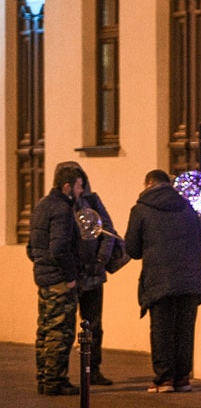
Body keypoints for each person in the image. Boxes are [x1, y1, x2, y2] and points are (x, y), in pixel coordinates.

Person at [124, 169, 201, 393]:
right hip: (190, 279)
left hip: (159, 279)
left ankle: (164, 379)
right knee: (184, 330)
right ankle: (182, 378)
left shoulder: (140, 209)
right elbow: (199, 240)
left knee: (162, 330)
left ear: (149, 183)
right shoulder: (188, 208)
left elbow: (132, 249)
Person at [26, 162, 85, 396]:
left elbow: (32, 247)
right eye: (79, 186)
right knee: (60, 331)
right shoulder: (62, 209)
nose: (81, 191)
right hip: (59, 280)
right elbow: (59, 248)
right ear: (67, 187)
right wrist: (70, 277)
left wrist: (41, 265)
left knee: (45, 328)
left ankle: (44, 377)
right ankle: (55, 380)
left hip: (44, 276)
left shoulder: (41, 205)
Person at [72, 164, 124, 386]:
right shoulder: (59, 205)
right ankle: (59, 373)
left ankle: (92, 369)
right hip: (70, 274)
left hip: (93, 274)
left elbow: (108, 231)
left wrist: (100, 260)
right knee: (64, 325)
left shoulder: (92, 201)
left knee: (93, 324)